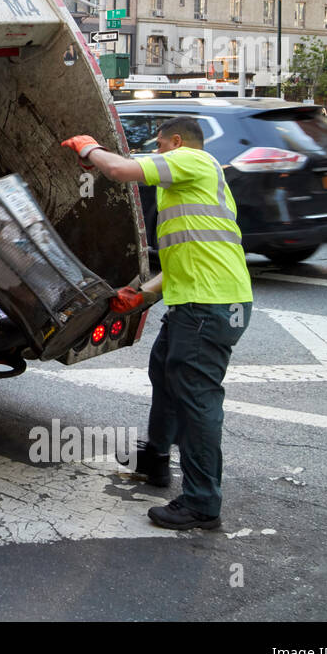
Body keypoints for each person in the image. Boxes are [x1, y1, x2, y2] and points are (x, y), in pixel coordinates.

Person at [62, 116, 253, 531]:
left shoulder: (194, 161)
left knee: (197, 401)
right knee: (165, 372)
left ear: (177, 142)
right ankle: (155, 459)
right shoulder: (191, 191)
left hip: (209, 305)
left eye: (160, 146)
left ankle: (202, 503)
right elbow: (187, 258)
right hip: (199, 302)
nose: (159, 154)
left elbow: (119, 170)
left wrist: (88, 146)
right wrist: (143, 294)